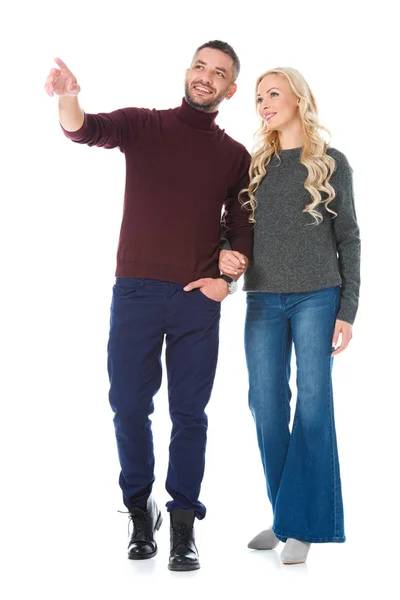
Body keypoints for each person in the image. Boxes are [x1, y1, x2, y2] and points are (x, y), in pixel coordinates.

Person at [44, 41, 252, 571]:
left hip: (195, 300)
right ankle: (141, 510)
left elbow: (245, 228)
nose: (205, 76)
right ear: (188, 72)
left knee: (190, 414)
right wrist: (69, 99)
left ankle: (183, 521)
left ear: (229, 90)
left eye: (219, 73)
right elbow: (85, 128)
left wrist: (227, 279)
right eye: (200, 66)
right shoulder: (144, 125)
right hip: (135, 292)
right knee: (130, 407)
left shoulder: (235, 157)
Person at [219, 67, 360, 564]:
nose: (263, 103)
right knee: (266, 405)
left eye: (273, 94)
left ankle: (300, 527)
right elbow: (232, 230)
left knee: (315, 405)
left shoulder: (331, 163)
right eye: (258, 97)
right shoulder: (254, 165)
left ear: (299, 99)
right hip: (262, 299)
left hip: (319, 297)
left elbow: (349, 239)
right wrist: (225, 259)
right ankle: (287, 517)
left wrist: (348, 310)